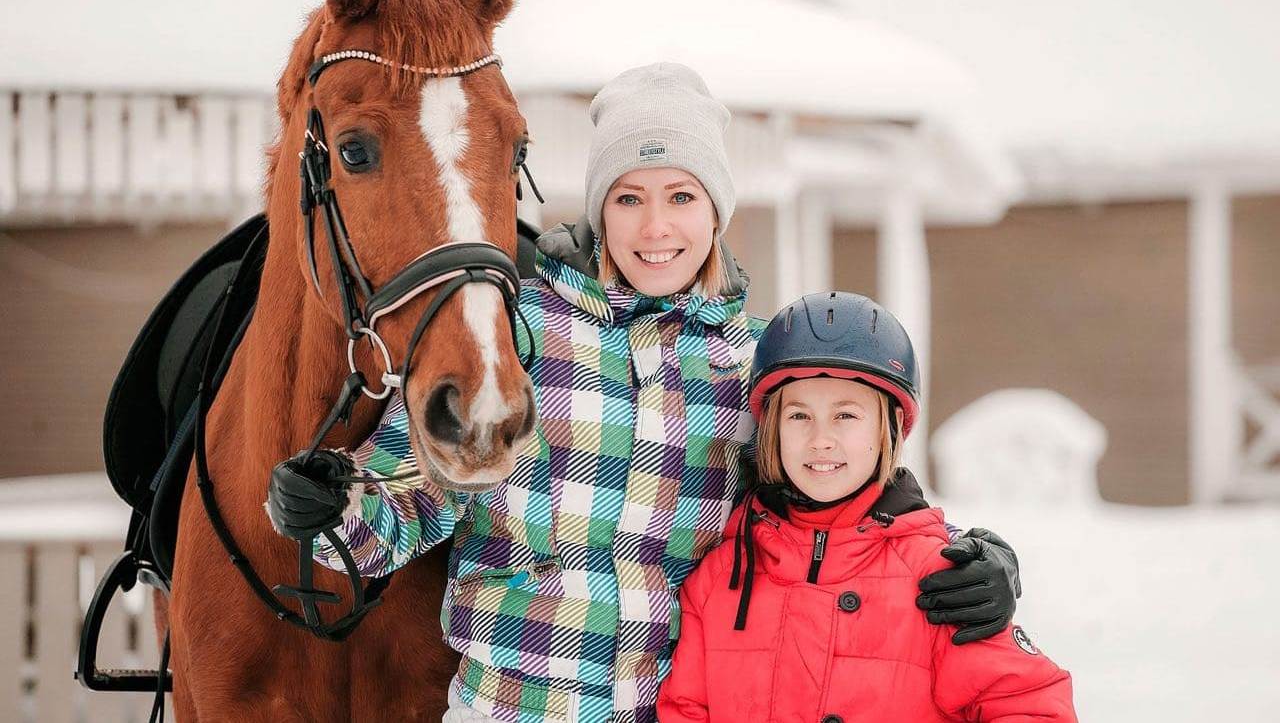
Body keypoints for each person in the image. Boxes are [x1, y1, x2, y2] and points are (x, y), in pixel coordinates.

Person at [267, 63, 1022, 723]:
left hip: (678, 708)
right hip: (509, 707)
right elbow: (410, 498)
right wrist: (334, 505)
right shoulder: (519, 334)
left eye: (682, 196)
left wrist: (976, 563)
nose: (656, 227)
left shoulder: (756, 364)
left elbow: (844, 504)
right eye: (629, 198)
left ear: (715, 211)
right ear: (599, 210)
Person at [657, 291, 1076, 721]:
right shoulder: (719, 579)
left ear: (887, 429)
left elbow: (1032, 706)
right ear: (771, 430)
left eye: (846, 416)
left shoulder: (939, 579)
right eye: (799, 416)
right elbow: (684, 709)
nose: (821, 439)